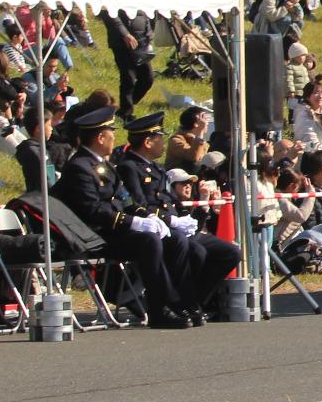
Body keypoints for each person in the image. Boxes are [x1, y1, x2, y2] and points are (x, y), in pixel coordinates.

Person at [52, 105, 227, 328]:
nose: (114, 137)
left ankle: (181, 302)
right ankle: (159, 308)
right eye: (111, 132)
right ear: (100, 137)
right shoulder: (80, 167)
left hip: (115, 230)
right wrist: (133, 222)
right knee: (149, 241)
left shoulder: (103, 165)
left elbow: (127, 201)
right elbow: (92, 211)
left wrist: (148, 217)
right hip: (97, 236)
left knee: (173, 240)